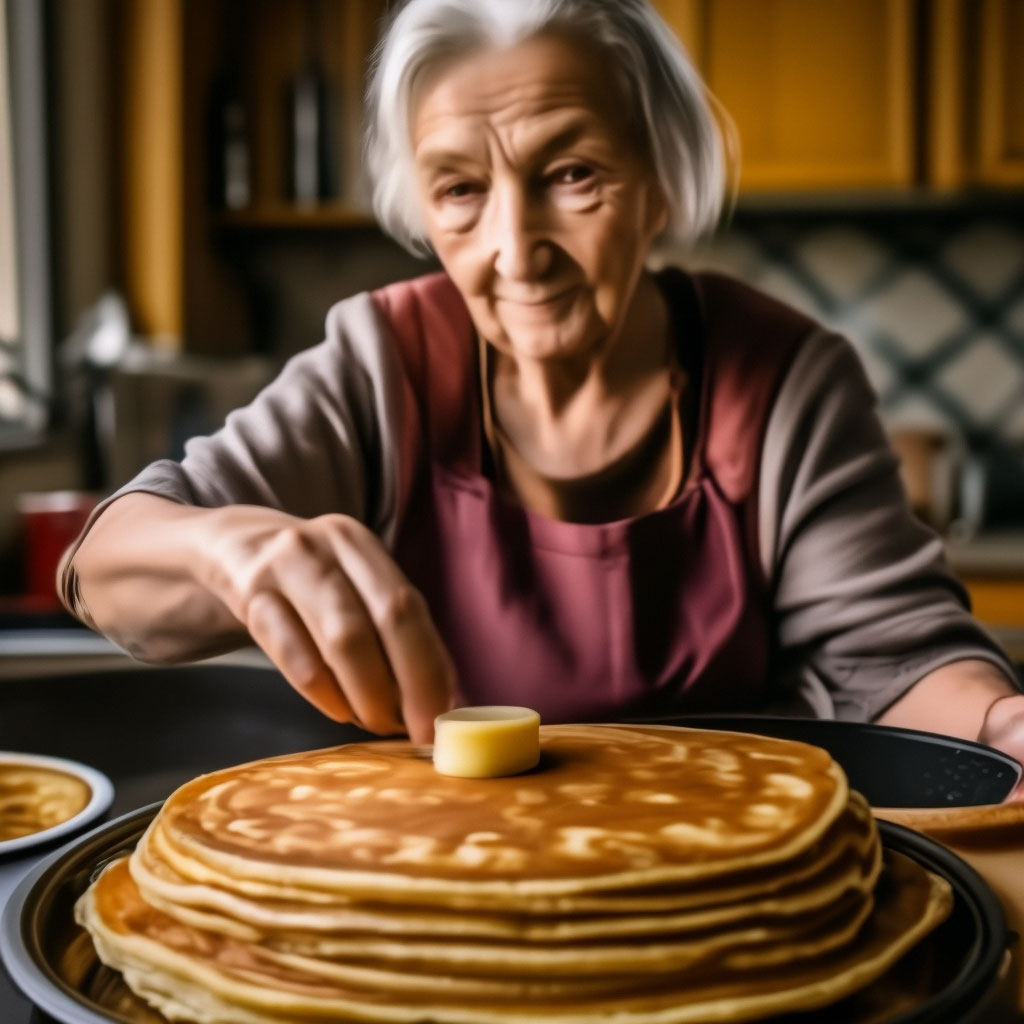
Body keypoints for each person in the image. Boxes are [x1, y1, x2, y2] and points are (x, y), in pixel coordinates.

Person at [60, 0, 1024, 781]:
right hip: (442, 912)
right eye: (459, 190)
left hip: (722, 898)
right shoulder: (381, 363)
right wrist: (230, 550)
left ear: (656, 179)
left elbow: (897, 667)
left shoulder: (783, 378)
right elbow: (106, 572)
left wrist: (996, 722)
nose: (516, 253)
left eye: (571, 173)